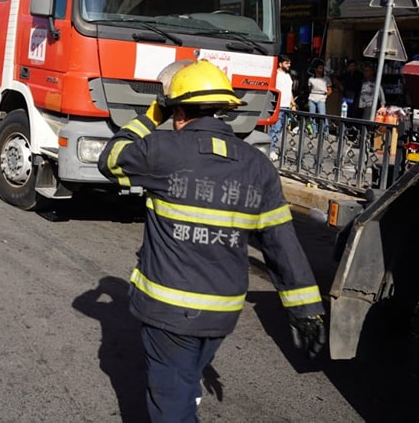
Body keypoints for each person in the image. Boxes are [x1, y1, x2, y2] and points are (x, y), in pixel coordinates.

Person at [97, 60, 325, 422]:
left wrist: (151, 115)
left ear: (178, 110)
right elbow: (280, 241)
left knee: (171, 406)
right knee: (184, 381)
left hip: (169, 313)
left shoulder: (162, 151)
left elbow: (109, 158)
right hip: (222, 313)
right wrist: (305, 309)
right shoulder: (257, 165)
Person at [270, 54, 296, 160]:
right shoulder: (275, 74)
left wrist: (293, 104)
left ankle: (274, 148)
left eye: (289, 63)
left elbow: (289, 91)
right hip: (278, 105)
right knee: (275, 128)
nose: (289, 65)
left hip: (286, 106)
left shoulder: (288, 75)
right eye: (286, 63)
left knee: (281, 129)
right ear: (280, 64)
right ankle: (270, 149)